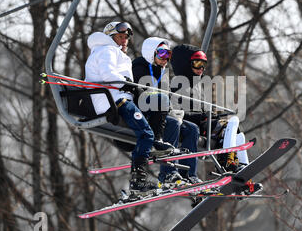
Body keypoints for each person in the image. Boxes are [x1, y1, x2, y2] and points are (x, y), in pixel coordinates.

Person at [84, 21, 169, 194]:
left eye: (126, 38)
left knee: (153, 113)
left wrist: (130, 87)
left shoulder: (110, 52)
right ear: (110, 37)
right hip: (114, 102)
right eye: (119, 37)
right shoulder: (107, 50)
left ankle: (153, 149)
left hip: (117, 99)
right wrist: (127, 84)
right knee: (146, 133)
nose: (124, 41)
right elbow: (108, 74)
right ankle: (138, 181)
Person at [132, 37, 202, 185]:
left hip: (161, 113)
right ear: (151, 53)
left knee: (192, 129)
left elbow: (167, 96)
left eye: (168, 55)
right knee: (173, 124)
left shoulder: (162, 72)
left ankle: (188, 174)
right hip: (145, 114)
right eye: (162, 54)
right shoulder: (139, 67)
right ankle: (168, 173)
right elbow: (142, 92)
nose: (166, 59)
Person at [170, 44, 249, 173]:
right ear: (185, 64)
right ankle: (229, 161)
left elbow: (200, 108)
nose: (201, 68)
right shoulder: (177, 84)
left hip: (203, 123)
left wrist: (210, 114)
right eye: (197, 63)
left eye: (203, 64)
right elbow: (177, 112)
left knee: (236, 129)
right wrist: (202, 116)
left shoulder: (197, 85)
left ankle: (240, 164)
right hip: (193, 124)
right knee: (232, 121)